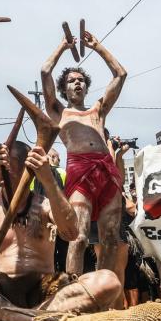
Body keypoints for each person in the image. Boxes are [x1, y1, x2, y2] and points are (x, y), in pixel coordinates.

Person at [0, 142, 121, 321]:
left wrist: (48, 179)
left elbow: (72, 232)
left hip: (45, 294)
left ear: (28, 169)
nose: (8, 168)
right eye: (3, 164)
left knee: (109, 281)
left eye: (13, 163)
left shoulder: (45, 205)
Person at [39, 30, 127, 280]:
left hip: (107, 171)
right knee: (79, 237)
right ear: (64, 89)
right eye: (71, 80)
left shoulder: (98, 111)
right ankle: (74, 293)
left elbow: (120, 74)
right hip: (80, 170)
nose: (77, 83)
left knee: (110, 240)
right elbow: (45, 72)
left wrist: (97, 47)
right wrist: (63, 47)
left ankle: (103, 293)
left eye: (81, 80)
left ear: (86, 87)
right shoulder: (59, 112)